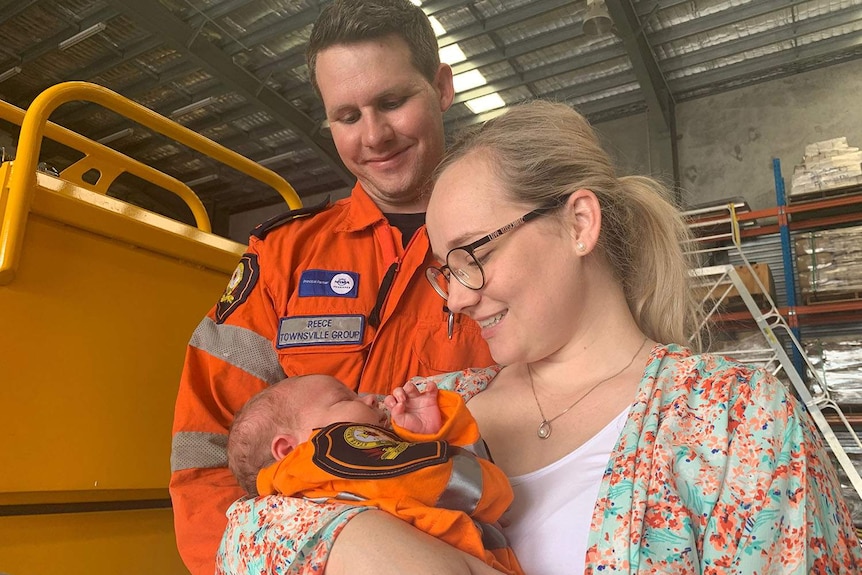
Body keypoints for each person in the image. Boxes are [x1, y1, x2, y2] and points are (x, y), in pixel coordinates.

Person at [219, 99, 862, 575]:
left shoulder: (736, 420)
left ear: (579, 222)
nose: (458, 296)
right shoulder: (429, 408)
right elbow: (253, 526)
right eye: (444, 272)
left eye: (473, 255)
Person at [168, 1, 494, 573]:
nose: (375, 135)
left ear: (441, 87)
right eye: (347, 116)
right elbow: (207, 443)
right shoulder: (282, 257)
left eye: (393, 102)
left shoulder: (509, 239)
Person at [220, 374, 523, 575]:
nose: (369, 399)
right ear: (288, 449)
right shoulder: (328, 452)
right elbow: (460, 487)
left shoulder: (308, 493)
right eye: (344, 399)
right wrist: (492, 490)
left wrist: (423, 439)